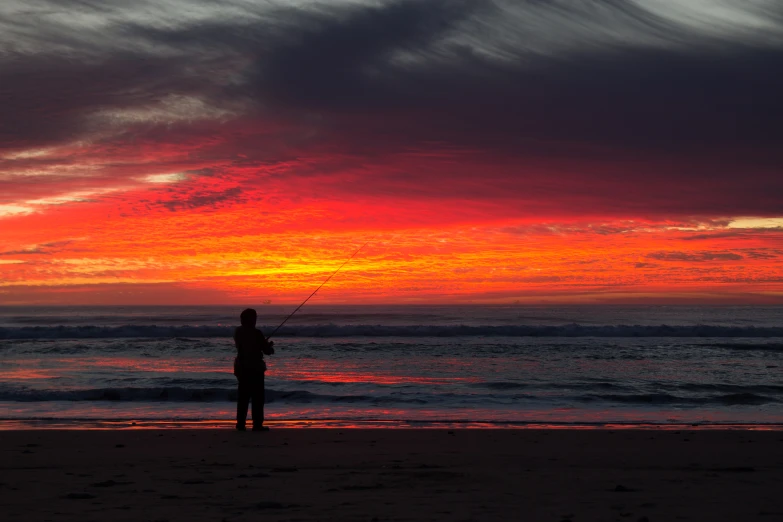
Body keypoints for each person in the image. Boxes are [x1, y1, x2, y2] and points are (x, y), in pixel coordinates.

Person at [233, 308, 274, 431]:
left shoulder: (238, 332)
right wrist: (269, 346)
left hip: (242, 367)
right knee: (257, 398)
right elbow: (266, 351)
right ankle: (257, 425)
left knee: (243, 397)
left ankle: (240, 424)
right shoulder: (257, 333)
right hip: (255, 368)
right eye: (254, 318)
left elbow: (248, 345)